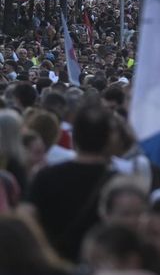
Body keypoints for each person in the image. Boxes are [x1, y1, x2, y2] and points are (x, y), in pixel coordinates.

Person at [25, 104, 116, 261]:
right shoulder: (118, 182)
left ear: (75, 138)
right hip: (102, 264)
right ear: (109, 140)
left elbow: (28, 220)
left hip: (53, 261)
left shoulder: (45, 176)